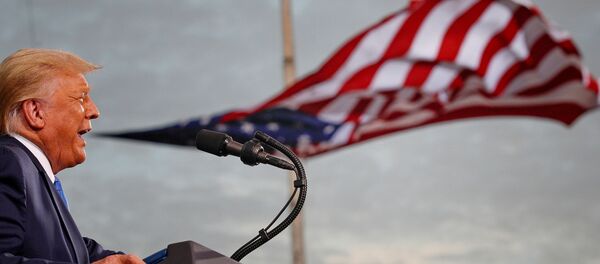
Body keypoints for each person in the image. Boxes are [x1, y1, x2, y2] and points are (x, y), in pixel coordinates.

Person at [0, 48, 144, 264]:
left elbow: (69, 249)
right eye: (81, 98)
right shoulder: (8, 161)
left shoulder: (32, 174)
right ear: (36, 112)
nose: (94, 110)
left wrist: (109, 260)